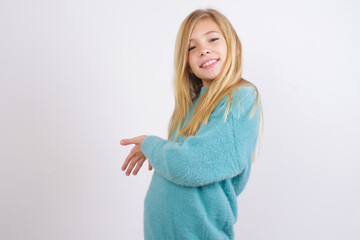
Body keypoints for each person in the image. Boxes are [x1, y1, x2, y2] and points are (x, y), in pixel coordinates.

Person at [120, 8, 263, 240]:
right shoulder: (192, 105)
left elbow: (189, 164)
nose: (203, 49)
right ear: (186, 62)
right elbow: (181, 160)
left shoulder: (240, 98)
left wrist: (150, 144)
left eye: (213, 39)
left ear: (234, 45)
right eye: (191, 47)